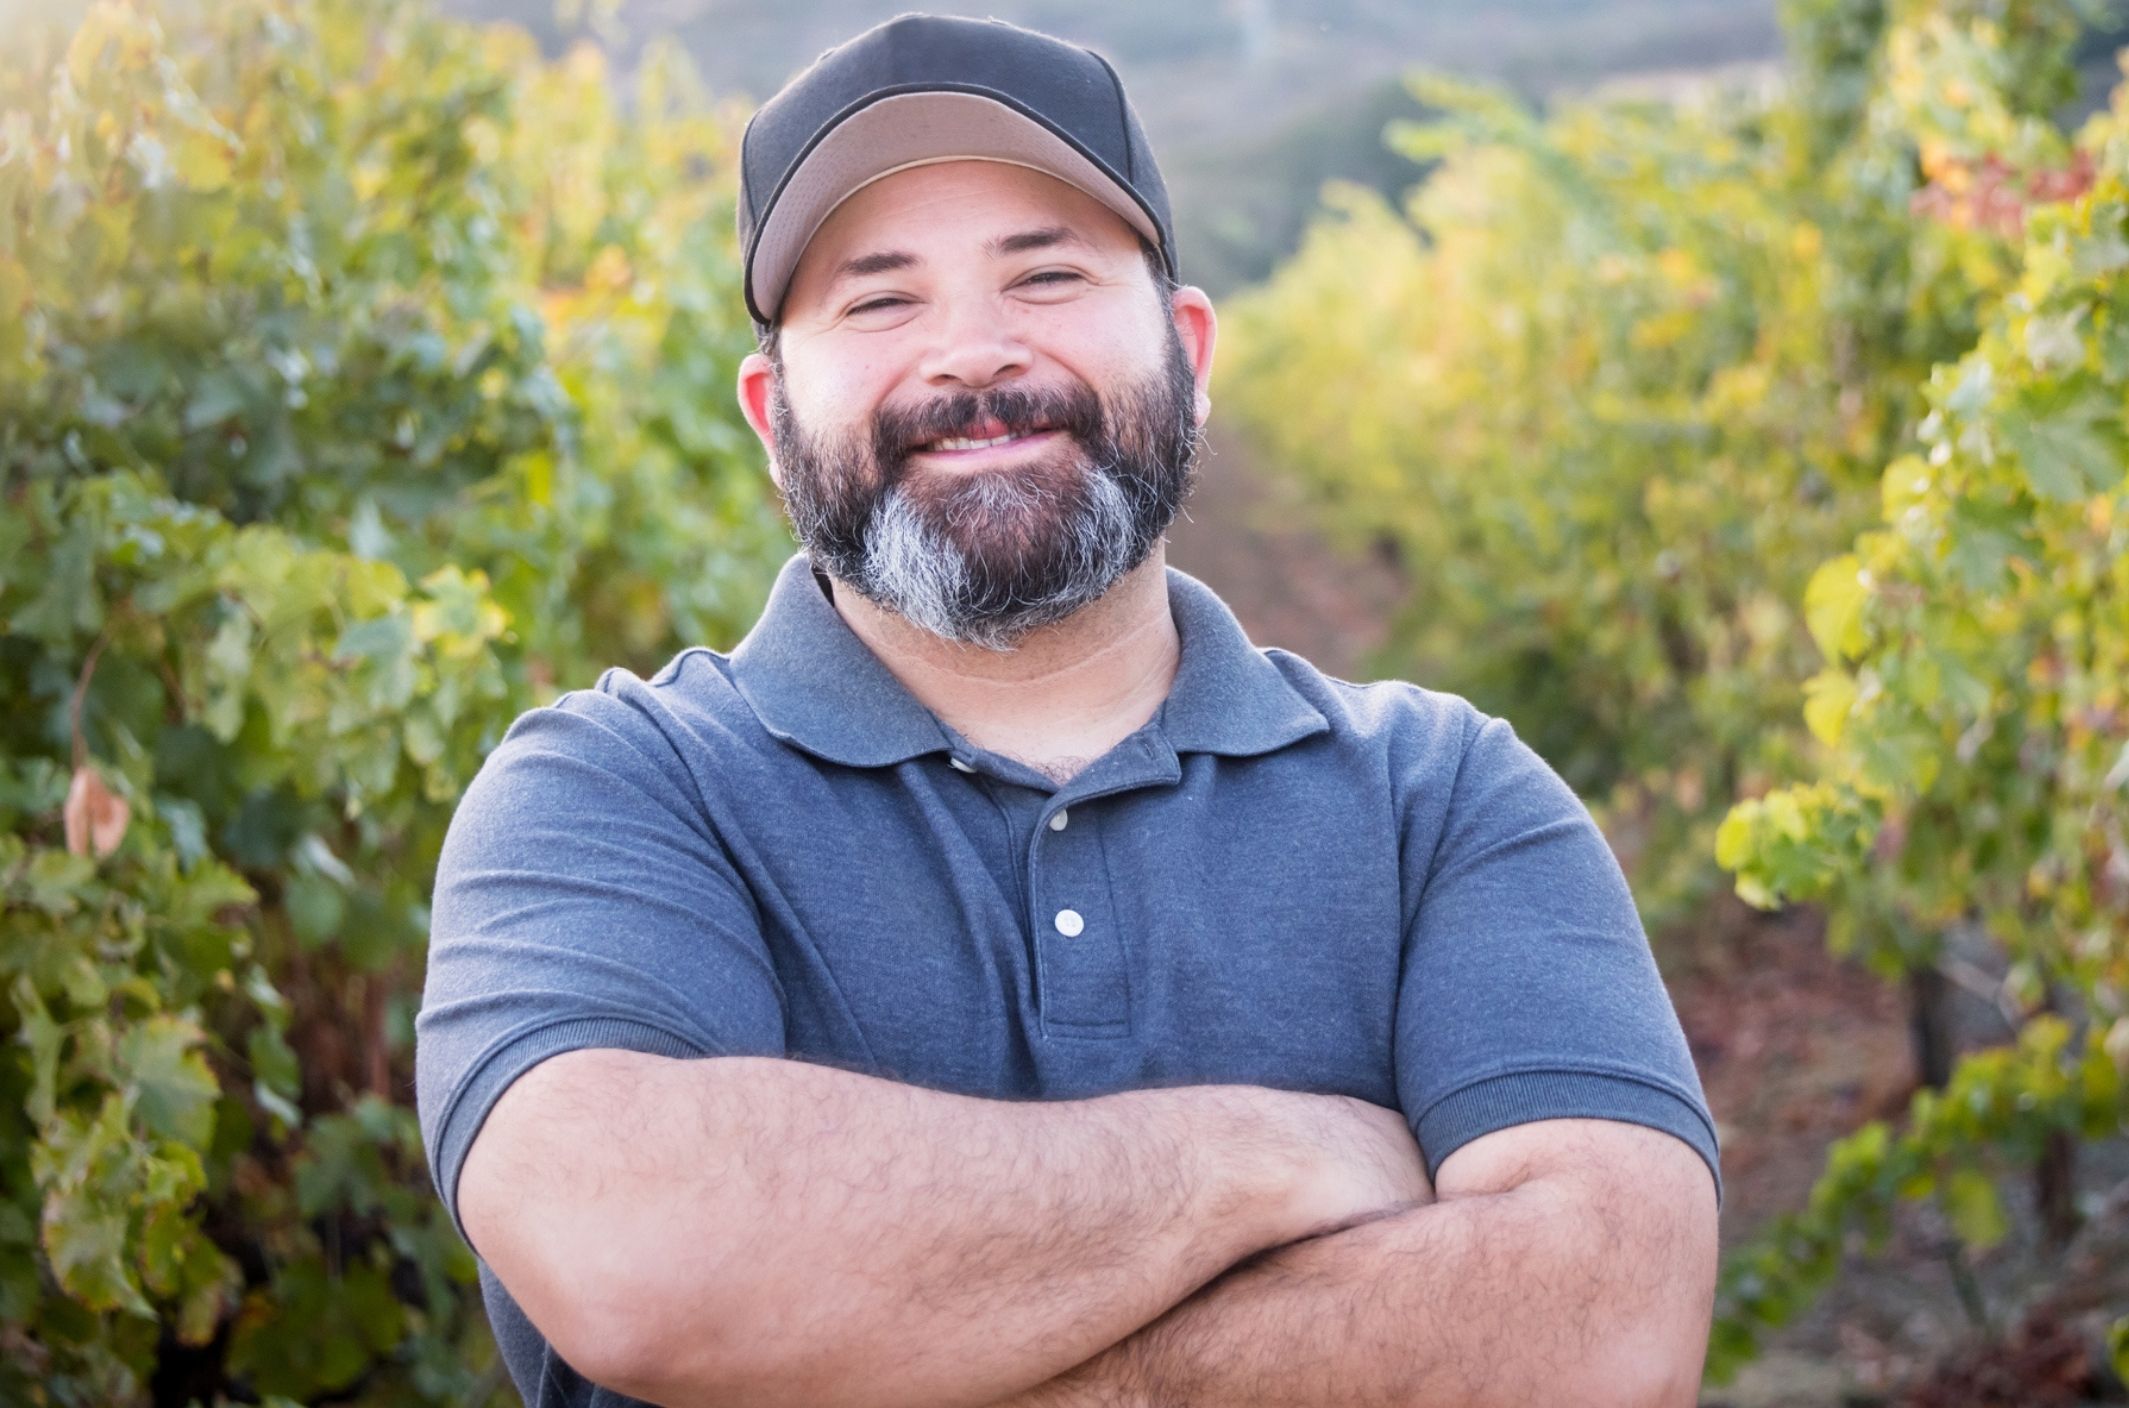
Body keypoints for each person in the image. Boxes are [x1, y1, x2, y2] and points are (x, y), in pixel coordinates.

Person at [414, 14, 1722, 1407]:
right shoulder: (607, 793)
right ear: (768, 415)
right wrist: (1272, 1160)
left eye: (1045, 276)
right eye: (879, 301)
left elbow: (1608, 1328)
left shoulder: (1443, 796)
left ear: (1189, 355)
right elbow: (637, 1253)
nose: (972, 357)